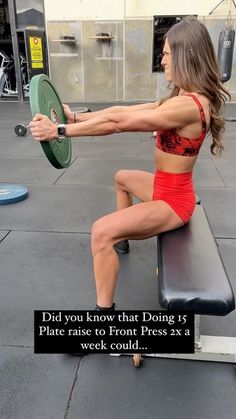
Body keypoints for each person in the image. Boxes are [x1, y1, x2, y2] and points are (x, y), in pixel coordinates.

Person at [30, 17, 230, 312]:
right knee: (122, 177)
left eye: (166, 54)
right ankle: (122, 241)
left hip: (174, 203)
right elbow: (122, 110)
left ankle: (104, 321)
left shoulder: (188, 106)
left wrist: (58, 131)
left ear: (185, 55)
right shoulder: (181, 97)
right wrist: (74, 118)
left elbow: (117, 123)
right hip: (165, 187)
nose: (161, 61)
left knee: (100, 232)